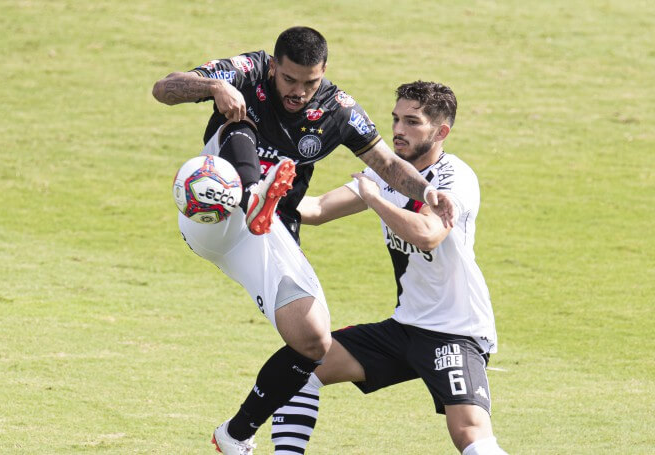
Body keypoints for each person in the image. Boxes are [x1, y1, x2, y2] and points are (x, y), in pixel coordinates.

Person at [151, 27, 454, 454]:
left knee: (314, 341)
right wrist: (214, 86)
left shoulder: (339, 109)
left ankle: (234, 436)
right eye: (289, 80)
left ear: (324, 73)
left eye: (310, 83)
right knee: (240, 124)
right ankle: (255, 191)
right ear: (274, 67)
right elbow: (163, 88)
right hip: (213, 209)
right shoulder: (248, 71)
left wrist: (425, 192)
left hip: (264, 231)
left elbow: (386, 162)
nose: (298, 92)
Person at [269, 81, 506, 454]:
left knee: (469, 434)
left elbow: (428, 234)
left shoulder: (454, 178)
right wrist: (261, 194)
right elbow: (314, 210)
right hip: (404, 326)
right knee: (299, 370)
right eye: (396, 119)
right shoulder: (389, 174)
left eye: (412, 122)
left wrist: (375, 200)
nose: (397, 130)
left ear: (441, 132)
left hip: (455, 330)